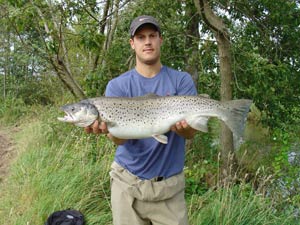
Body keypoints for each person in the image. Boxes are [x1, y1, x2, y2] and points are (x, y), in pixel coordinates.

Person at [85, 15, 198, 225]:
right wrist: (109, 131)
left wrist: (183, 129)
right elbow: (119, 140)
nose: (147, 42)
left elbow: (191, 133)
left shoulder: (182, 81)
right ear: (132, 43)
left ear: (160, 40)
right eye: (141, 37)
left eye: (152, 36)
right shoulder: (117, 86)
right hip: (126, 186)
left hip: (169, 189)